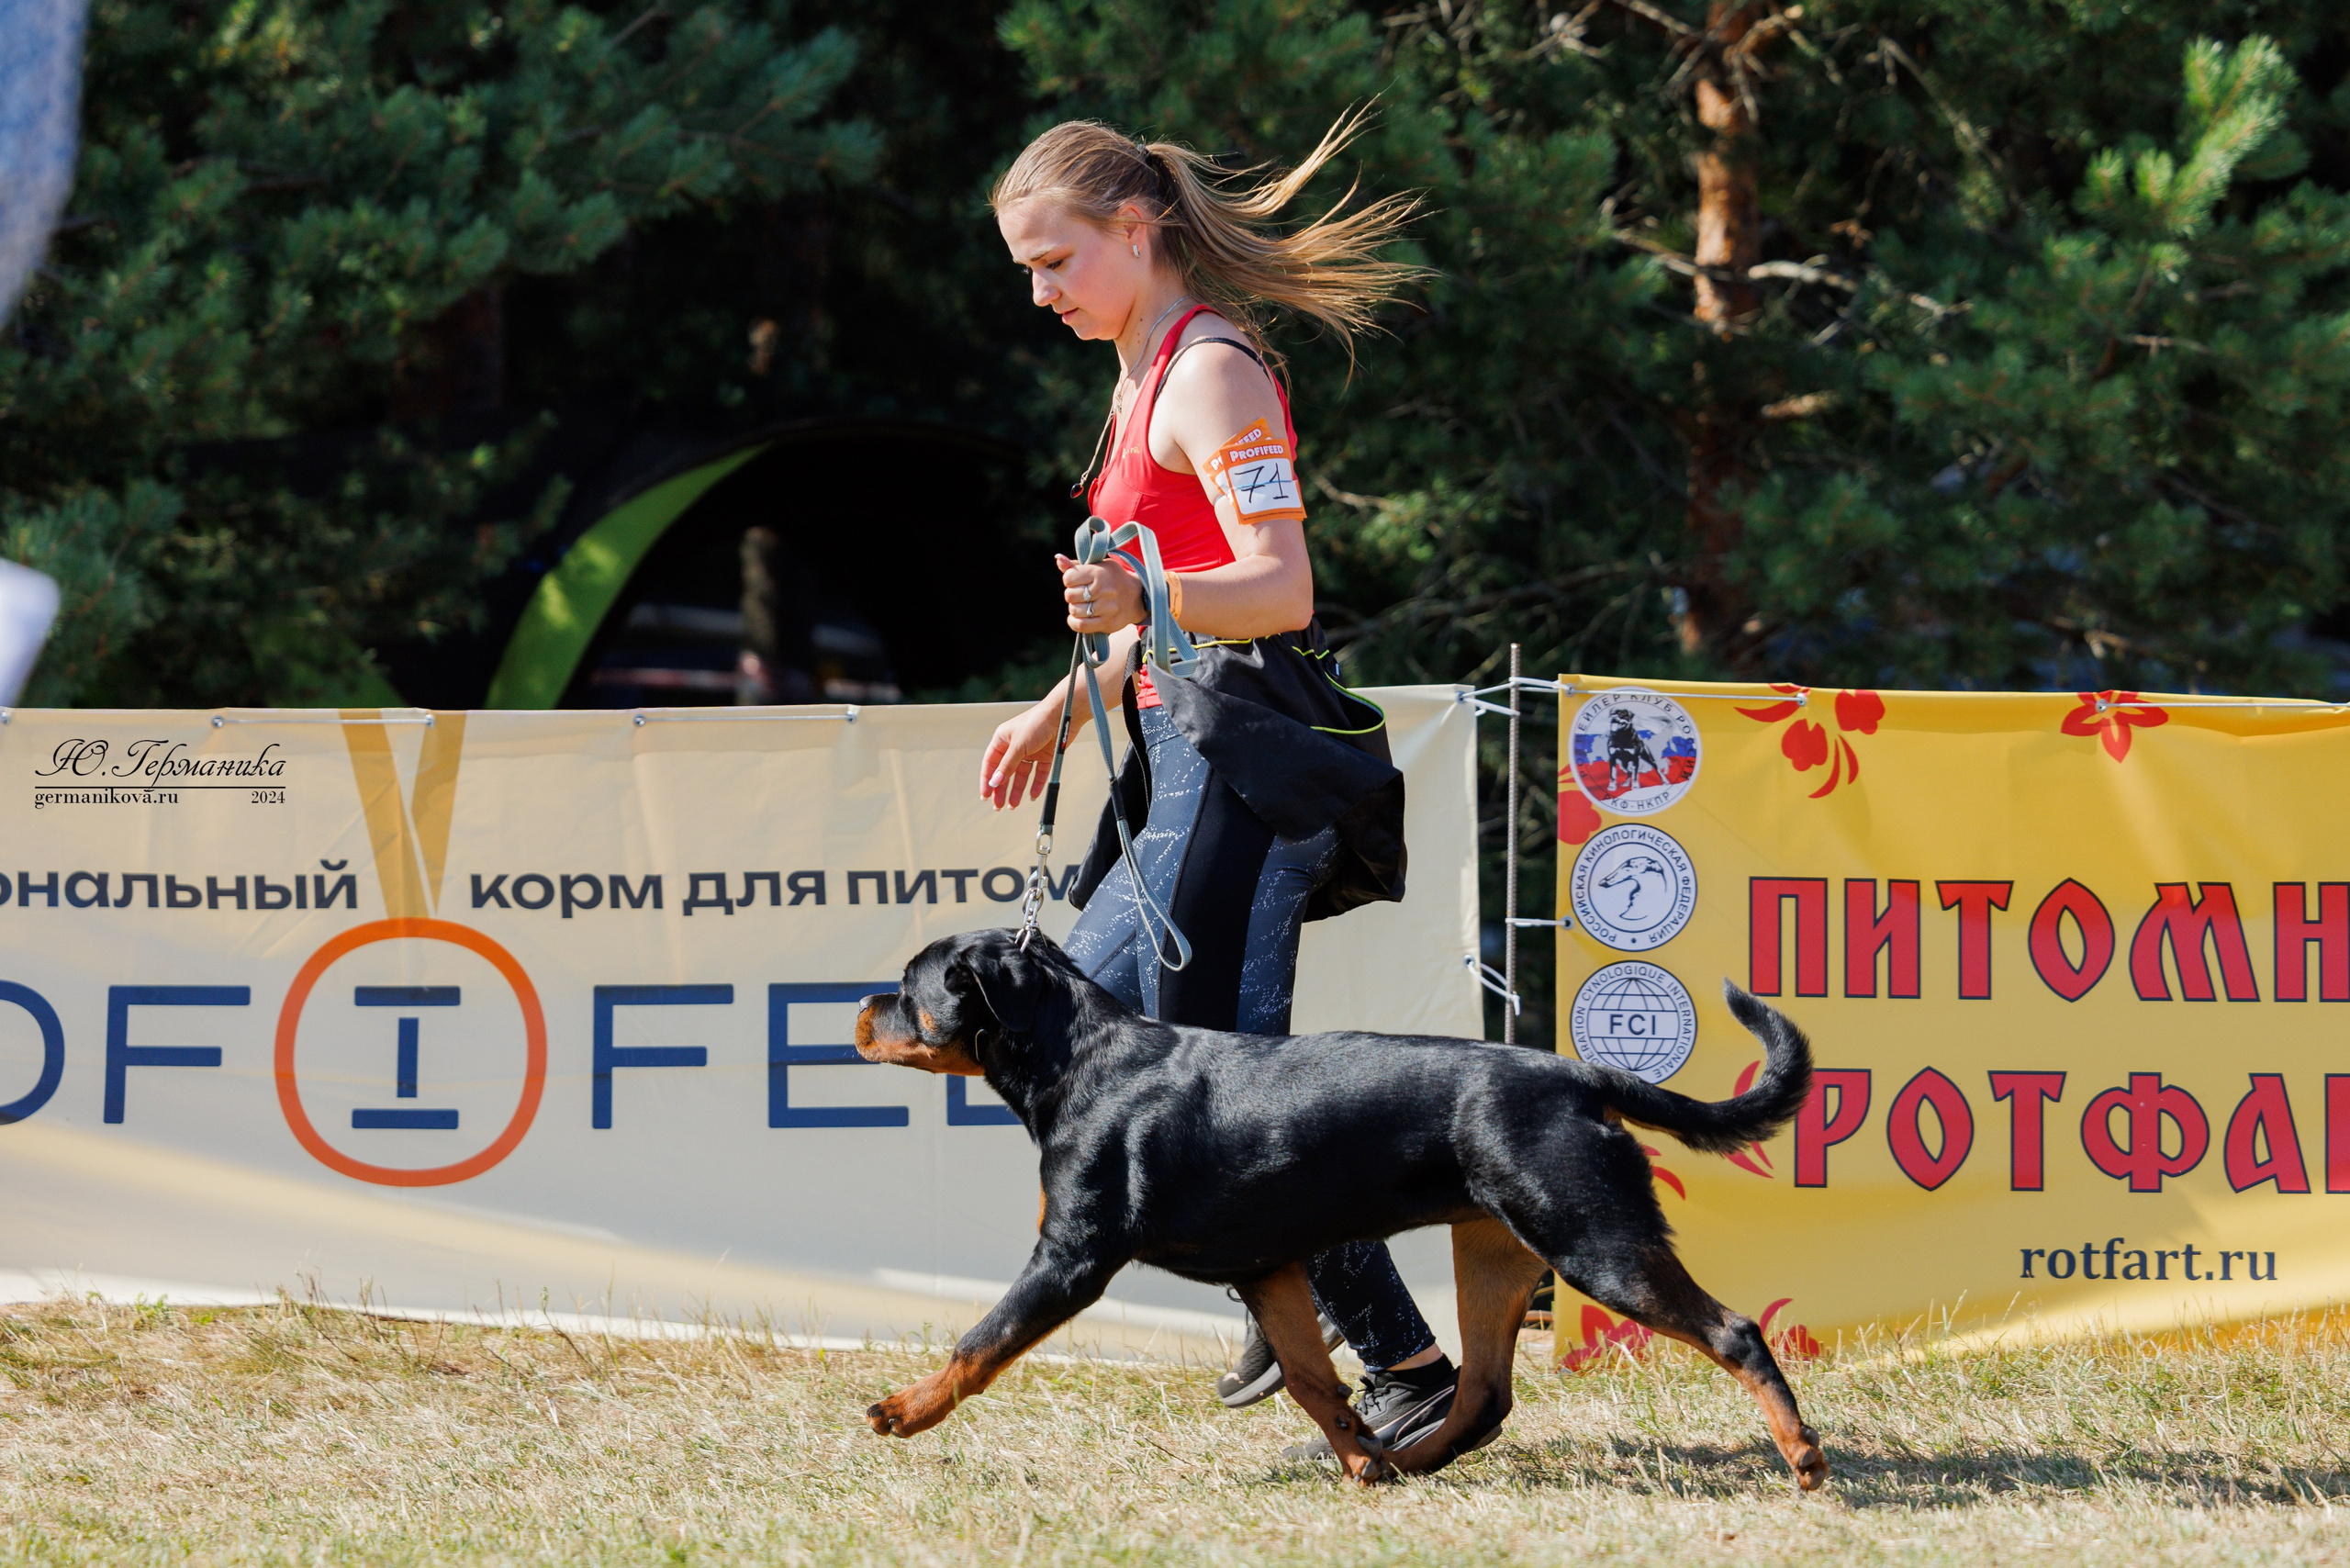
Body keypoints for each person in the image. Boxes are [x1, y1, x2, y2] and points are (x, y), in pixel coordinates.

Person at [981, 117, 1460, 1456]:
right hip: (1176, 762)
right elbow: (1157, 604)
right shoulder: (1136, 370)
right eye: (1026, 270)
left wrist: (1144, 598)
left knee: (1223, 1100)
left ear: (1135, 230)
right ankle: (1274, 1270)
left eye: (1056, 261)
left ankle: (1402, 1362)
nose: (1041, 293)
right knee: (1076, 1027)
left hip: (1242, 770)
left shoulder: (1209, 373)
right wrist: (1065, 704)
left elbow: (1281, 590)